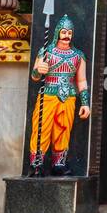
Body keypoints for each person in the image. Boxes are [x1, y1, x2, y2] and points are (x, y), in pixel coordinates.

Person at [28, 15, 91, 176]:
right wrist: (38, 70)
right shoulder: (46, 51)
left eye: (69, 33)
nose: (66, 36)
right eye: (63, 32)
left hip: (68, 96)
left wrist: (85, 103)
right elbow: (35, 77)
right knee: (41, 128)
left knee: (63, 129)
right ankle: (37, 163)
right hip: (48, 93)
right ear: (57, 32)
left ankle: (59, 163)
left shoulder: (78, 55)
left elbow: (82, 81)